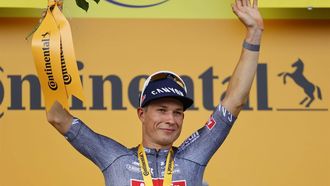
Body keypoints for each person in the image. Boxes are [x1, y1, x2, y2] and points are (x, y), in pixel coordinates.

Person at [46, 0, 264, 185]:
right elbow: (56, 116)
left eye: (177, 112)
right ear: (141, 114)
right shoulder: (114, 157)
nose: (171, 119)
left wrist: (254, 32)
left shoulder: (194, 156)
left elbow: (234, 102)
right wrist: (51, 40)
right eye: (162, 110)